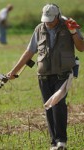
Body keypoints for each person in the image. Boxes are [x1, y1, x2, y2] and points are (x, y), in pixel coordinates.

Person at [7, 4, 84, 150]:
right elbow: (29, 52)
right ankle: (54, 143)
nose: (47, 23)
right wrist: (13, 71)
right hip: (43, 75)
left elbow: (81, 47)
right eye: (45, 20)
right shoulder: (39, 29)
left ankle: (62, 141)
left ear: (58, 16)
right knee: (48, 107)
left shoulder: (69, 25)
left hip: (63, 74)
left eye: (50, 20)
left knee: (58, 105)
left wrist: (73, 32)